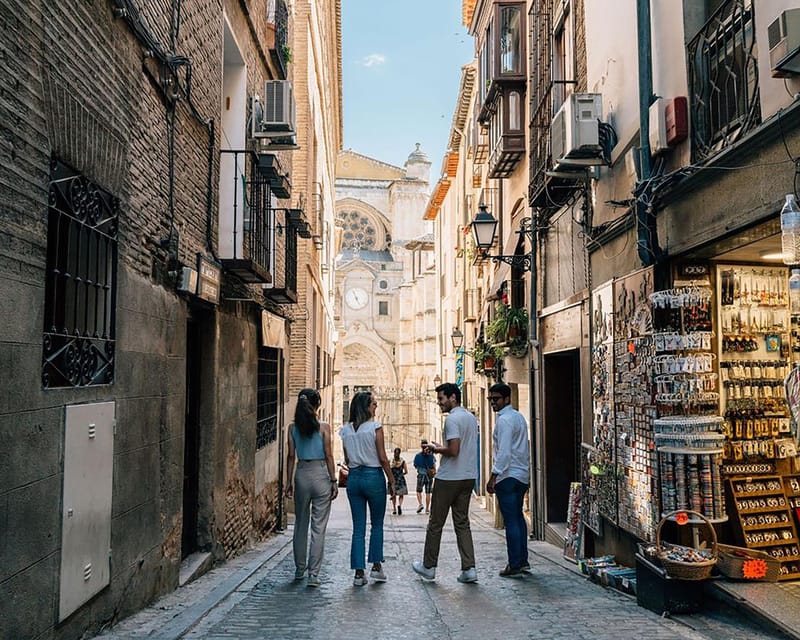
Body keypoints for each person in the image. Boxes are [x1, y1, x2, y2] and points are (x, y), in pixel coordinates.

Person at [411, 382, 478, 584]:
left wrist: (435, 448)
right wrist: (442, 447)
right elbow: (459, 447)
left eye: (441, 399)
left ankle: (429, 566)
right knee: (462, 523)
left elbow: (454, 450)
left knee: (435, 524)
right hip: (468, 477)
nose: (439, 403)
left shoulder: (451, 420)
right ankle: (469, 568)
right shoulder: (470, 417)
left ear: (453, 398)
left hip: (449, 478)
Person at [340, 391, 396, 586]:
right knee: (377, 524)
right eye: (373, 403)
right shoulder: (375, 427)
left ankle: (358, 573)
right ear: (365, 407)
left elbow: (347, 459)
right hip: (373, 476)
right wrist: (391, 479)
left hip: (354, 478)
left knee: (358, 527)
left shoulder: (345, 431)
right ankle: (376, 567)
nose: (376, 406)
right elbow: (382, 457)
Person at [284, 388, 338, 588]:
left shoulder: (292, 428)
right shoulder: (324, 427)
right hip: (321, 473)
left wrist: (288, 482)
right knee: (318, 528)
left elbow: (291, 456)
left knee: (300, 524)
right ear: (318, 405)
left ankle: (299, 569)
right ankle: (313, 574)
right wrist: (333, 480)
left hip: (302, 473)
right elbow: (329, 454)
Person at [485, 382, 531, 577]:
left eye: (496, 399)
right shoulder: (518, 417)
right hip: (521, 475)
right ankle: (522, 560)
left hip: (508, 475)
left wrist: (493, 476)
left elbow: (504, 452)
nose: (492, 403)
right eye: (490, 399)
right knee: (518, 518)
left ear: (506, 399)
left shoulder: (504, 420)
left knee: (511, 520)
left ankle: (514, 563)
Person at [413, 439, 436, 513]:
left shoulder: (418, 455)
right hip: (429, 476)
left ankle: (420, 504)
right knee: (428, 492)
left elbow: (415, 465)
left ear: (421, 445)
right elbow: (434, 465)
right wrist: (434, 472)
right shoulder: (431, 455)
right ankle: (427, 509)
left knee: (418, 491)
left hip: (421, 475)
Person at [389, 447, 409, 515]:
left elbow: (388, 470)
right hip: (400, 479)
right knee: (401, 494)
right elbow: (406, 471)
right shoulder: (402, 461)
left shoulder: (391, 461)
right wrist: (401, 474)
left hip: (393, 479)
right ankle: (399, 505)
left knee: (393, 495)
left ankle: (394, 509)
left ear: (394, 453)